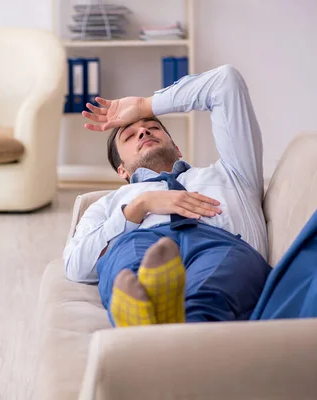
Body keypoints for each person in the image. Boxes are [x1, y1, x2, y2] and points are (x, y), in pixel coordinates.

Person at [63, 65, 272, 326]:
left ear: (177, 148)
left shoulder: (232, 172)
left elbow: (225, 82)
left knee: (218, 279)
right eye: (129, 136)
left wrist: (144, 105)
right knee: (130, 267)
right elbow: (76, 265)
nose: (143, 131)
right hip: (139, 240)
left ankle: (167, 331)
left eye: (152, 127)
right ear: (122, 170)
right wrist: (139, 206)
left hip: (222, 244)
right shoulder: (107, 205)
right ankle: (151, 317)